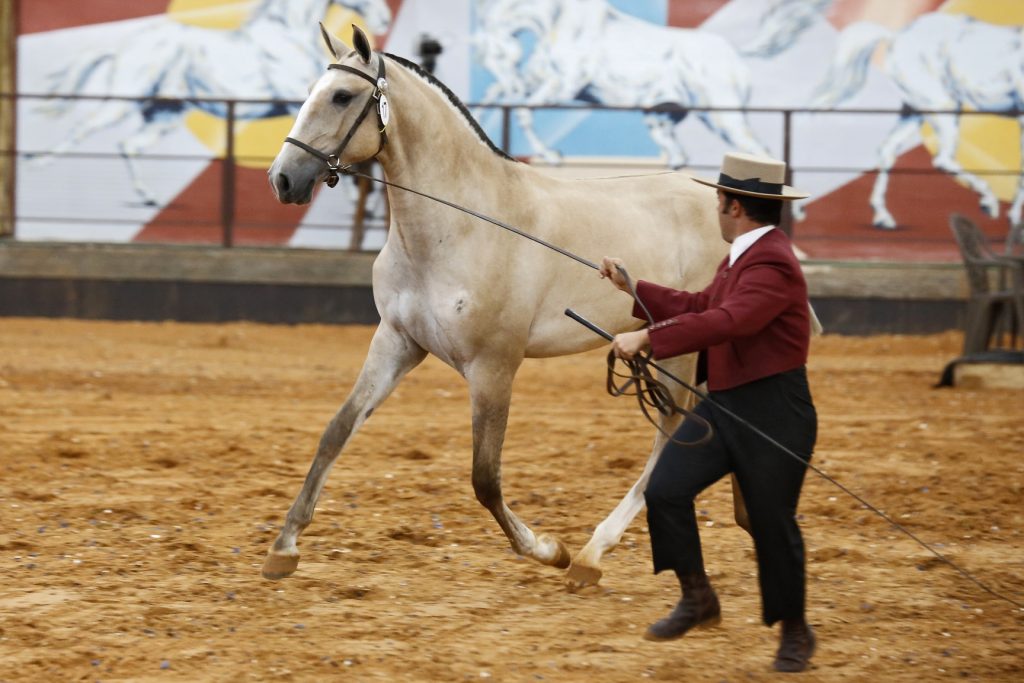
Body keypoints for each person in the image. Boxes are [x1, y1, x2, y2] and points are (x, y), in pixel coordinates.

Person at [599, 152, 818, 673]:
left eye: (718, 200)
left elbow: (730, 321)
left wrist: (649, 337)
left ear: (733, 205)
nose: (715, 208)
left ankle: (795, 631)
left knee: (771, 524)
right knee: (666, 491)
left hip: (774, 413)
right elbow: (703, 306)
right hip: (726, 402)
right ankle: (698, 597)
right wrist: (636, 288)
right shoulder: (745, 255)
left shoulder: (773, 262)